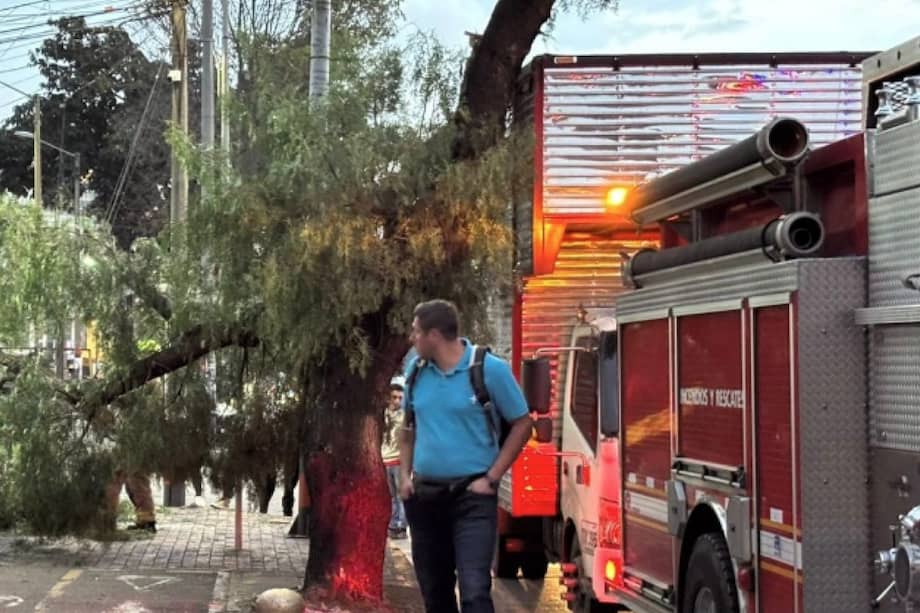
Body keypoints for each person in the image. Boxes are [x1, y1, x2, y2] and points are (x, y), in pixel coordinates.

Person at [399, 299, 533, 613]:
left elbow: (523, 423)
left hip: (472, 497)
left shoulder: (488, 369)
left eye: (415, 331)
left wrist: (492, 477)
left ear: (434, 335)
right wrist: (405, 476)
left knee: (474, 592)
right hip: (425, 498)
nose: (411, 338)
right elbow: (407, 428)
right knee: (435, 592)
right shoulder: (416, 372)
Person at [381, 382, 406, 539]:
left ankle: (401, 525)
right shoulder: (382, 414)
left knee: (400, 496)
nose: (397, 401)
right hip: (384, 459)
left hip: (398, 460)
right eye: (394, 397)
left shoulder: (404, 415)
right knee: (391, 496)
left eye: (400, 398)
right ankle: (392, 523)